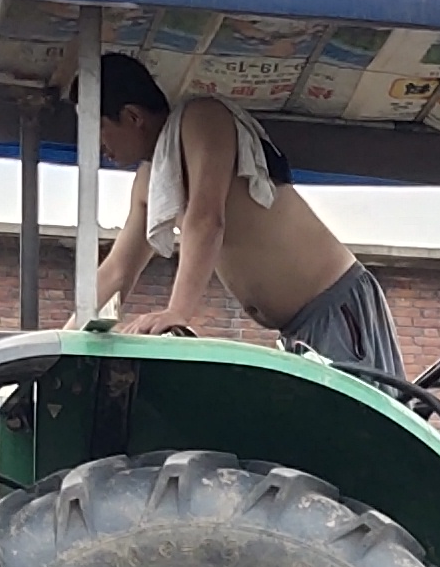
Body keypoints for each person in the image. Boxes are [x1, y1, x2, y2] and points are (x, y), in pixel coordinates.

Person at [89, 54, 409, 387]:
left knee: (356, 434)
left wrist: (177, 313)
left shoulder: (202, 117)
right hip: (294, 332)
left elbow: (207, 217)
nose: (100, 147)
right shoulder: (150, 179)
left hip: (334, 307)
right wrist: (65, 339)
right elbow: (117, 270)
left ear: (131, 116)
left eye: (98, 129)